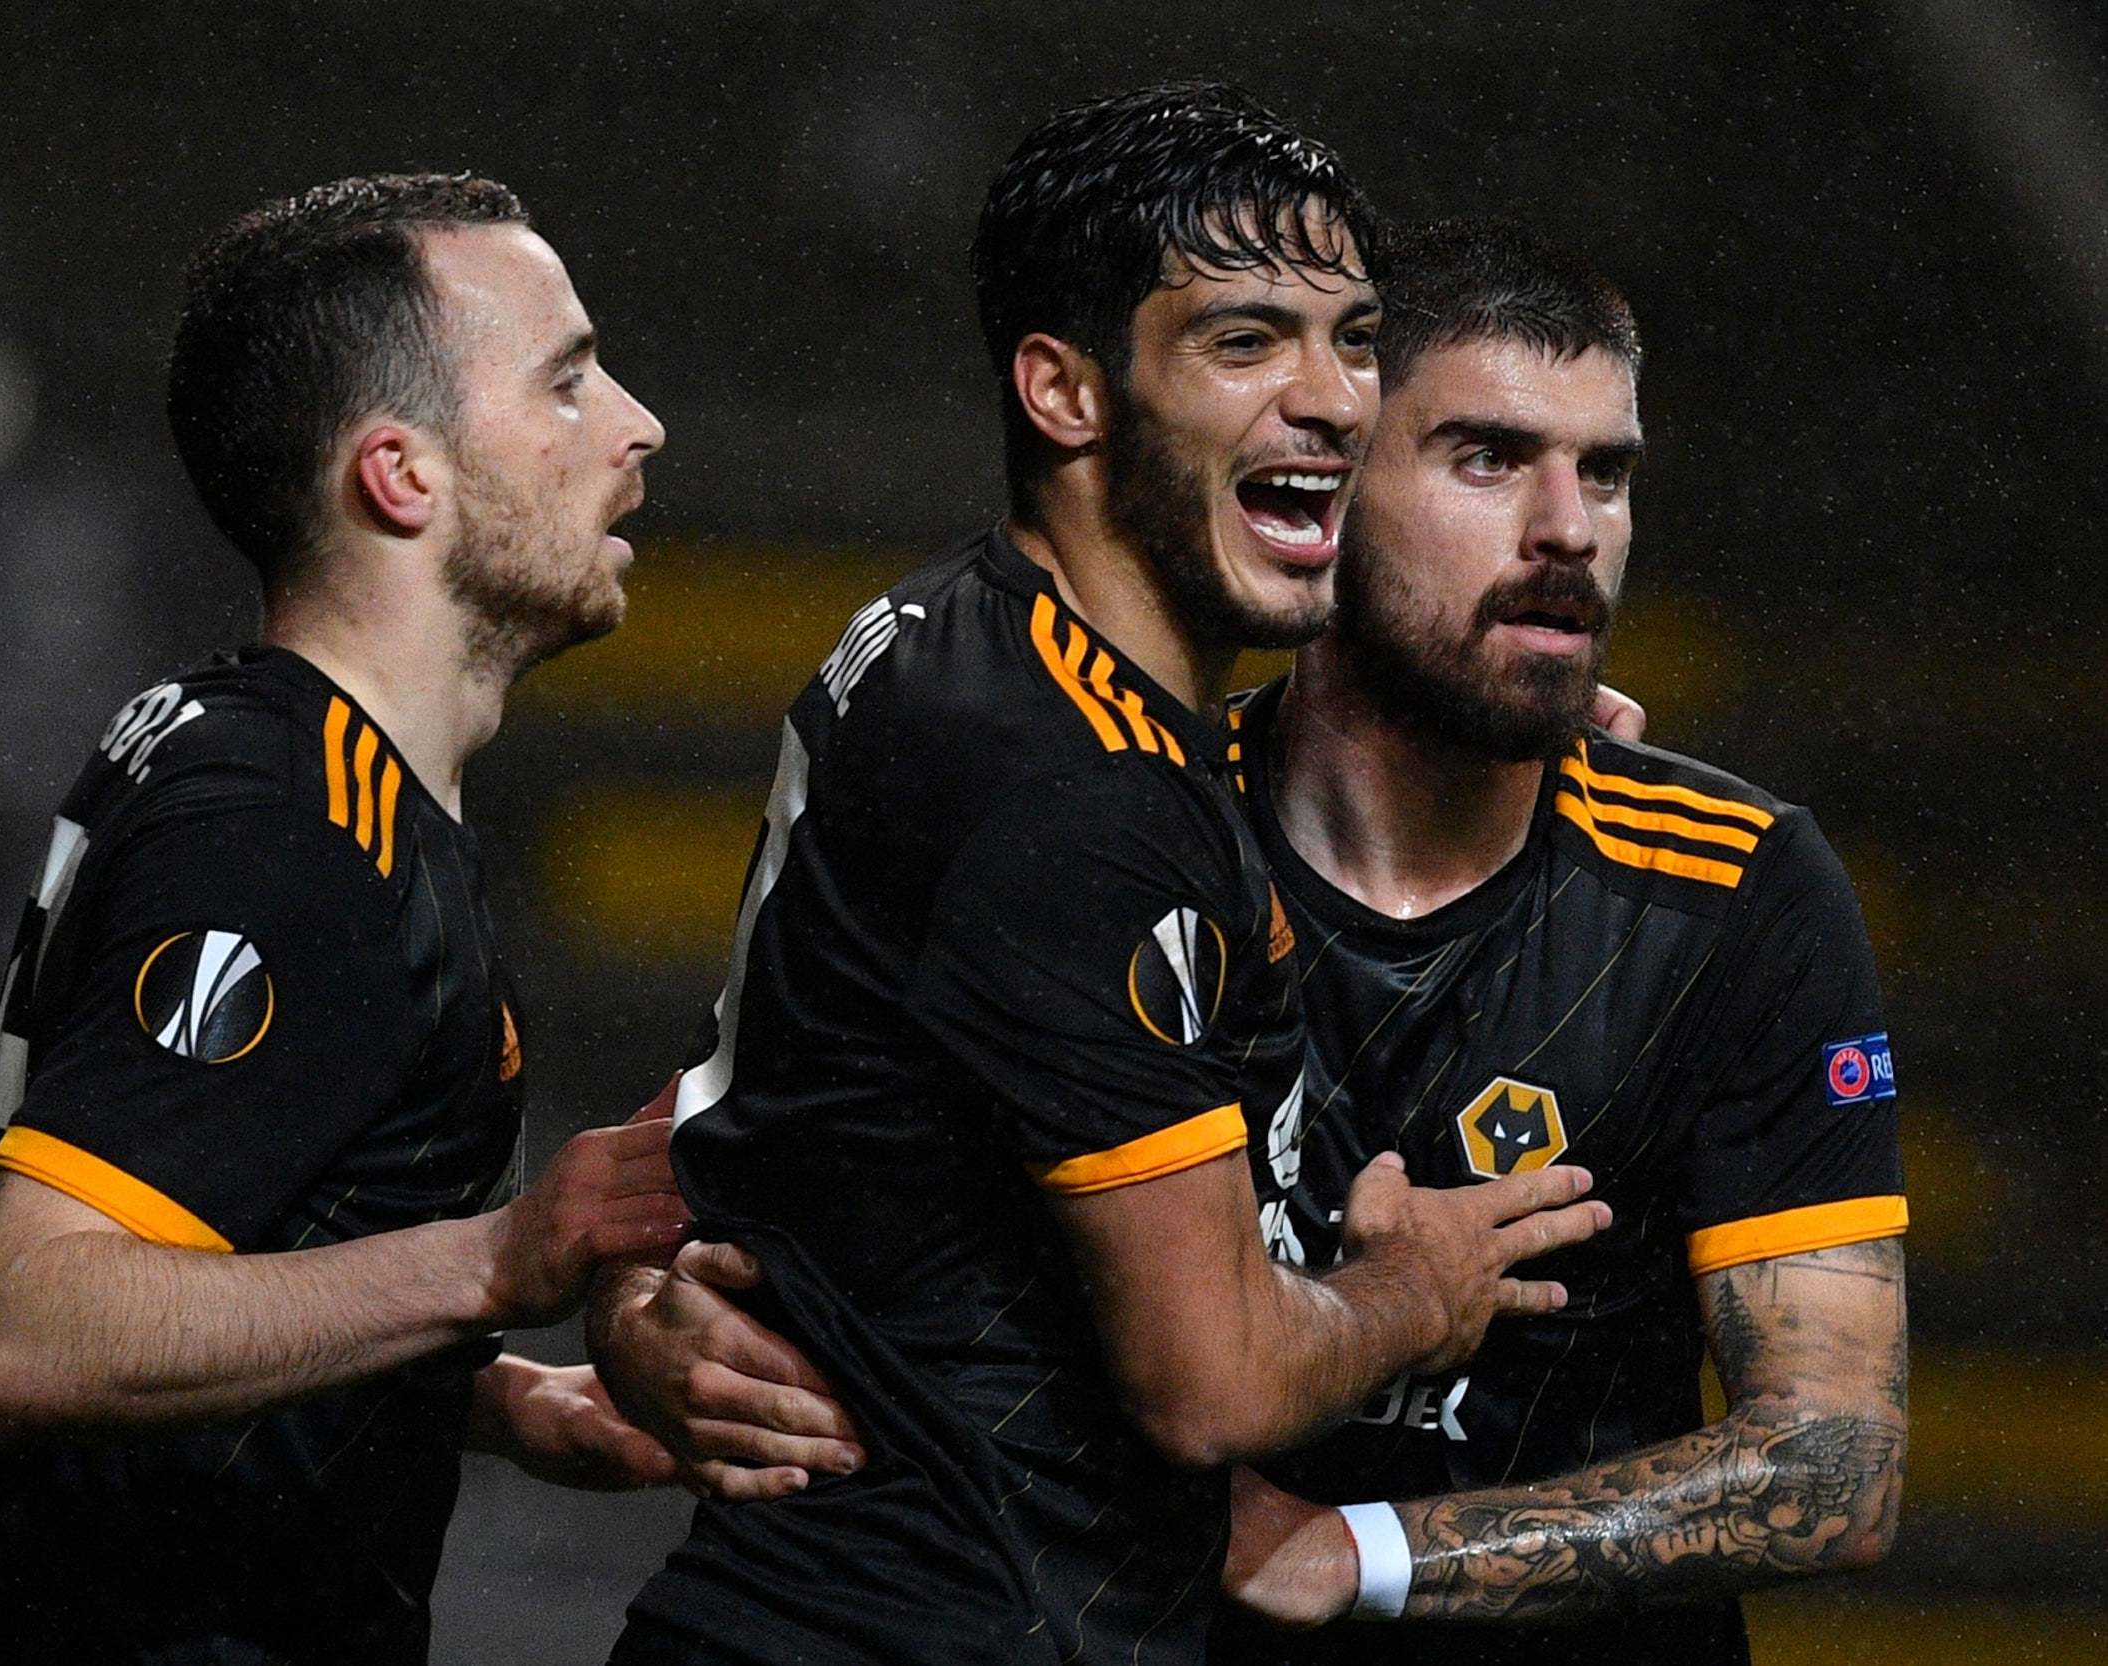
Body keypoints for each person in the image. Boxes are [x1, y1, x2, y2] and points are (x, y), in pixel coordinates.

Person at [587, 86, 1610, 1666]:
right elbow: (1207, 1381)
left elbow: (800, 1081)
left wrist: (642, 1273)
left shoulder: (950, 639)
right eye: (1245, 340)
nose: (1335, 398)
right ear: (1064, 390)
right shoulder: (1070, 790)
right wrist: (1418, 1289)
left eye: (1353, 337)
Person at [0, 173, 702, 1665]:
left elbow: (217, 1254)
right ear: (401, 475)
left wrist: (485, 1391)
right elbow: (28, 1329)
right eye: (568, 380)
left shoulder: (257, 752)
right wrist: (494, 1261)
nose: (635, 424)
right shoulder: (287, 826)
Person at [1213, 218, 1908, 1665]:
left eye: (1605, 471)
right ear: (1321, 484)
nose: (1568, 529)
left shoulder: (1738, 888)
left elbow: (1833, 1465)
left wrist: (1360, 1551)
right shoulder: (1134, 847)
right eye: (1487, 458)